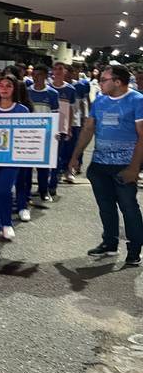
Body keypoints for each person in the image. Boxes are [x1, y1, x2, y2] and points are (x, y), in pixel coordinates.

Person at [69, 65, 143, 266]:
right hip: (100, 165)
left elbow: (142, 137)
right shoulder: (100, 100)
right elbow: (88, 128)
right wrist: (75, 156)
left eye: (104, 80)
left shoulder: (137, 100)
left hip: (124, 166)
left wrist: (134, 168)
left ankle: (135, 249)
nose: (99, 83)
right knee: (106, 207)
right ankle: (109, 243)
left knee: (129, 208)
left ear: (118, 82)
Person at [0, 75, 31, 241]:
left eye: (8, 85)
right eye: (1, 85)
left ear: (14, 89)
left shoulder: (22, 110)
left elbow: (30, 134)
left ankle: (7, 224)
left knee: (4, 190)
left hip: (12, 159)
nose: (4, 88)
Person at [25, 65, 60, 206]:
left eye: (39, 74)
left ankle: (43, 191)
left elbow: (56, 114)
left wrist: (55, 132)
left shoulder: (52, 93)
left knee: (44, 165)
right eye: (34, 74)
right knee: (27, 166)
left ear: (45, 76)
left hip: (45, 134)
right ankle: (26, 192)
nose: (36, 77)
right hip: (28, 134)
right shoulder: (27, 92)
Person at [51, 62, 78, 184]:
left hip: (62, 126)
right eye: (55, 69)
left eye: (60, 69)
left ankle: (55, 178)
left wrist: (69, 128)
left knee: (59, 154)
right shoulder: (48, 87)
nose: (57, 71)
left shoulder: (70, 89)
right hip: (49, 127)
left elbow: (71, 109)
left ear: (65, 71)